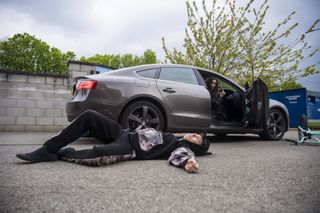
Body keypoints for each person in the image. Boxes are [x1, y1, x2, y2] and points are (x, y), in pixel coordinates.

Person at [16, 110, 210, 173]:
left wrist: (188, 163)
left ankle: (61, 154)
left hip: (129, 147)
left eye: (196, 138)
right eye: (194, 133)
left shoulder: (180, 146)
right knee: (89, 115)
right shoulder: (174, 137)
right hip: (123, 133)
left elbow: (181, 155)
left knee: (100, 153)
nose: (193, 134)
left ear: (194, 145)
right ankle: (49, 148)